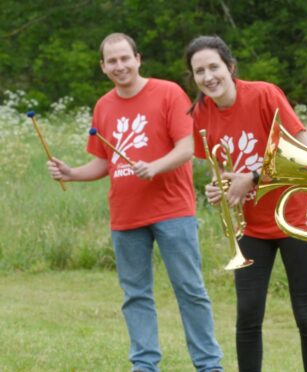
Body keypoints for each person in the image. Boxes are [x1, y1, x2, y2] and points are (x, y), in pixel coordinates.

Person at [47, 33, 223, 372]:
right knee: (136, 295)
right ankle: (144, 365)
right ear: (103, 67)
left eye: (125, 58)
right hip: (126, 216)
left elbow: (187, 147)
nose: (120, 66)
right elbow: (103, 163)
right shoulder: (103, 106)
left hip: (173, 211)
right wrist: (70, 173)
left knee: (190, 290)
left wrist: (154, 167)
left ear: (138, 58)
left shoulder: (168, 92)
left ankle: (209, 365)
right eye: (112, 61)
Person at [184, 35, 307, 372]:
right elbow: (220, 167)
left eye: (214, 67)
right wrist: (219, 188)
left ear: (230, 67)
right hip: (250, 226)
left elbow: (304, 153)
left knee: (306, 313)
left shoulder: (263, 94)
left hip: (294, 217)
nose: (208, 77)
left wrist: (254, 176)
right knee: (247, 314)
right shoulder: (201, 112)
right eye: (199, 71)